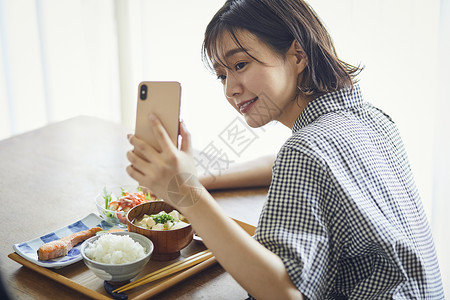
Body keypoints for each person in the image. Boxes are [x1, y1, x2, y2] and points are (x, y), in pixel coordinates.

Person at [126, 0, 445, 298]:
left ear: (297, 55)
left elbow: (283, 292)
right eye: (221, 75)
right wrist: (202, 178)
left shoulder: (305, 150)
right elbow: (288, 162)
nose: (230, 89)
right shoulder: (372, 119)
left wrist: (188, 195)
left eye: (240, 64)